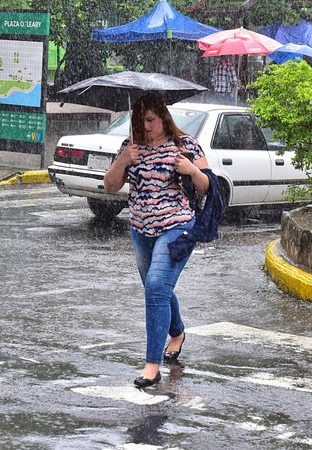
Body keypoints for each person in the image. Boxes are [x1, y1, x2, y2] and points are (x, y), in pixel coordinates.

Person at [103, 93, 210, 388]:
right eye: (140, 121)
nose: (146, 126)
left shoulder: (184, 145)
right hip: (141, 229)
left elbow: (206, 187)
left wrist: (191, 170)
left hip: (177, 228)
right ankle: (177, 333)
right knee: (158, 287)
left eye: (150, 120)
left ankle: (152, 366)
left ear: (163, 117)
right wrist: (123, 160)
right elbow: (110, 186)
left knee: (155, 287)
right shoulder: (131, 148)